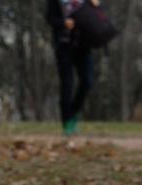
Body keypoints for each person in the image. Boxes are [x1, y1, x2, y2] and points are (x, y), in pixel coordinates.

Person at [45, 0, 101, 135]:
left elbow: (98, 18)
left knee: (87, 81)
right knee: (67, 84)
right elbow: (49, 18)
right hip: (63, 46)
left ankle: (74, 113)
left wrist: (97, 6)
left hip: (84, 46)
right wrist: (62, 23)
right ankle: (67, 122)